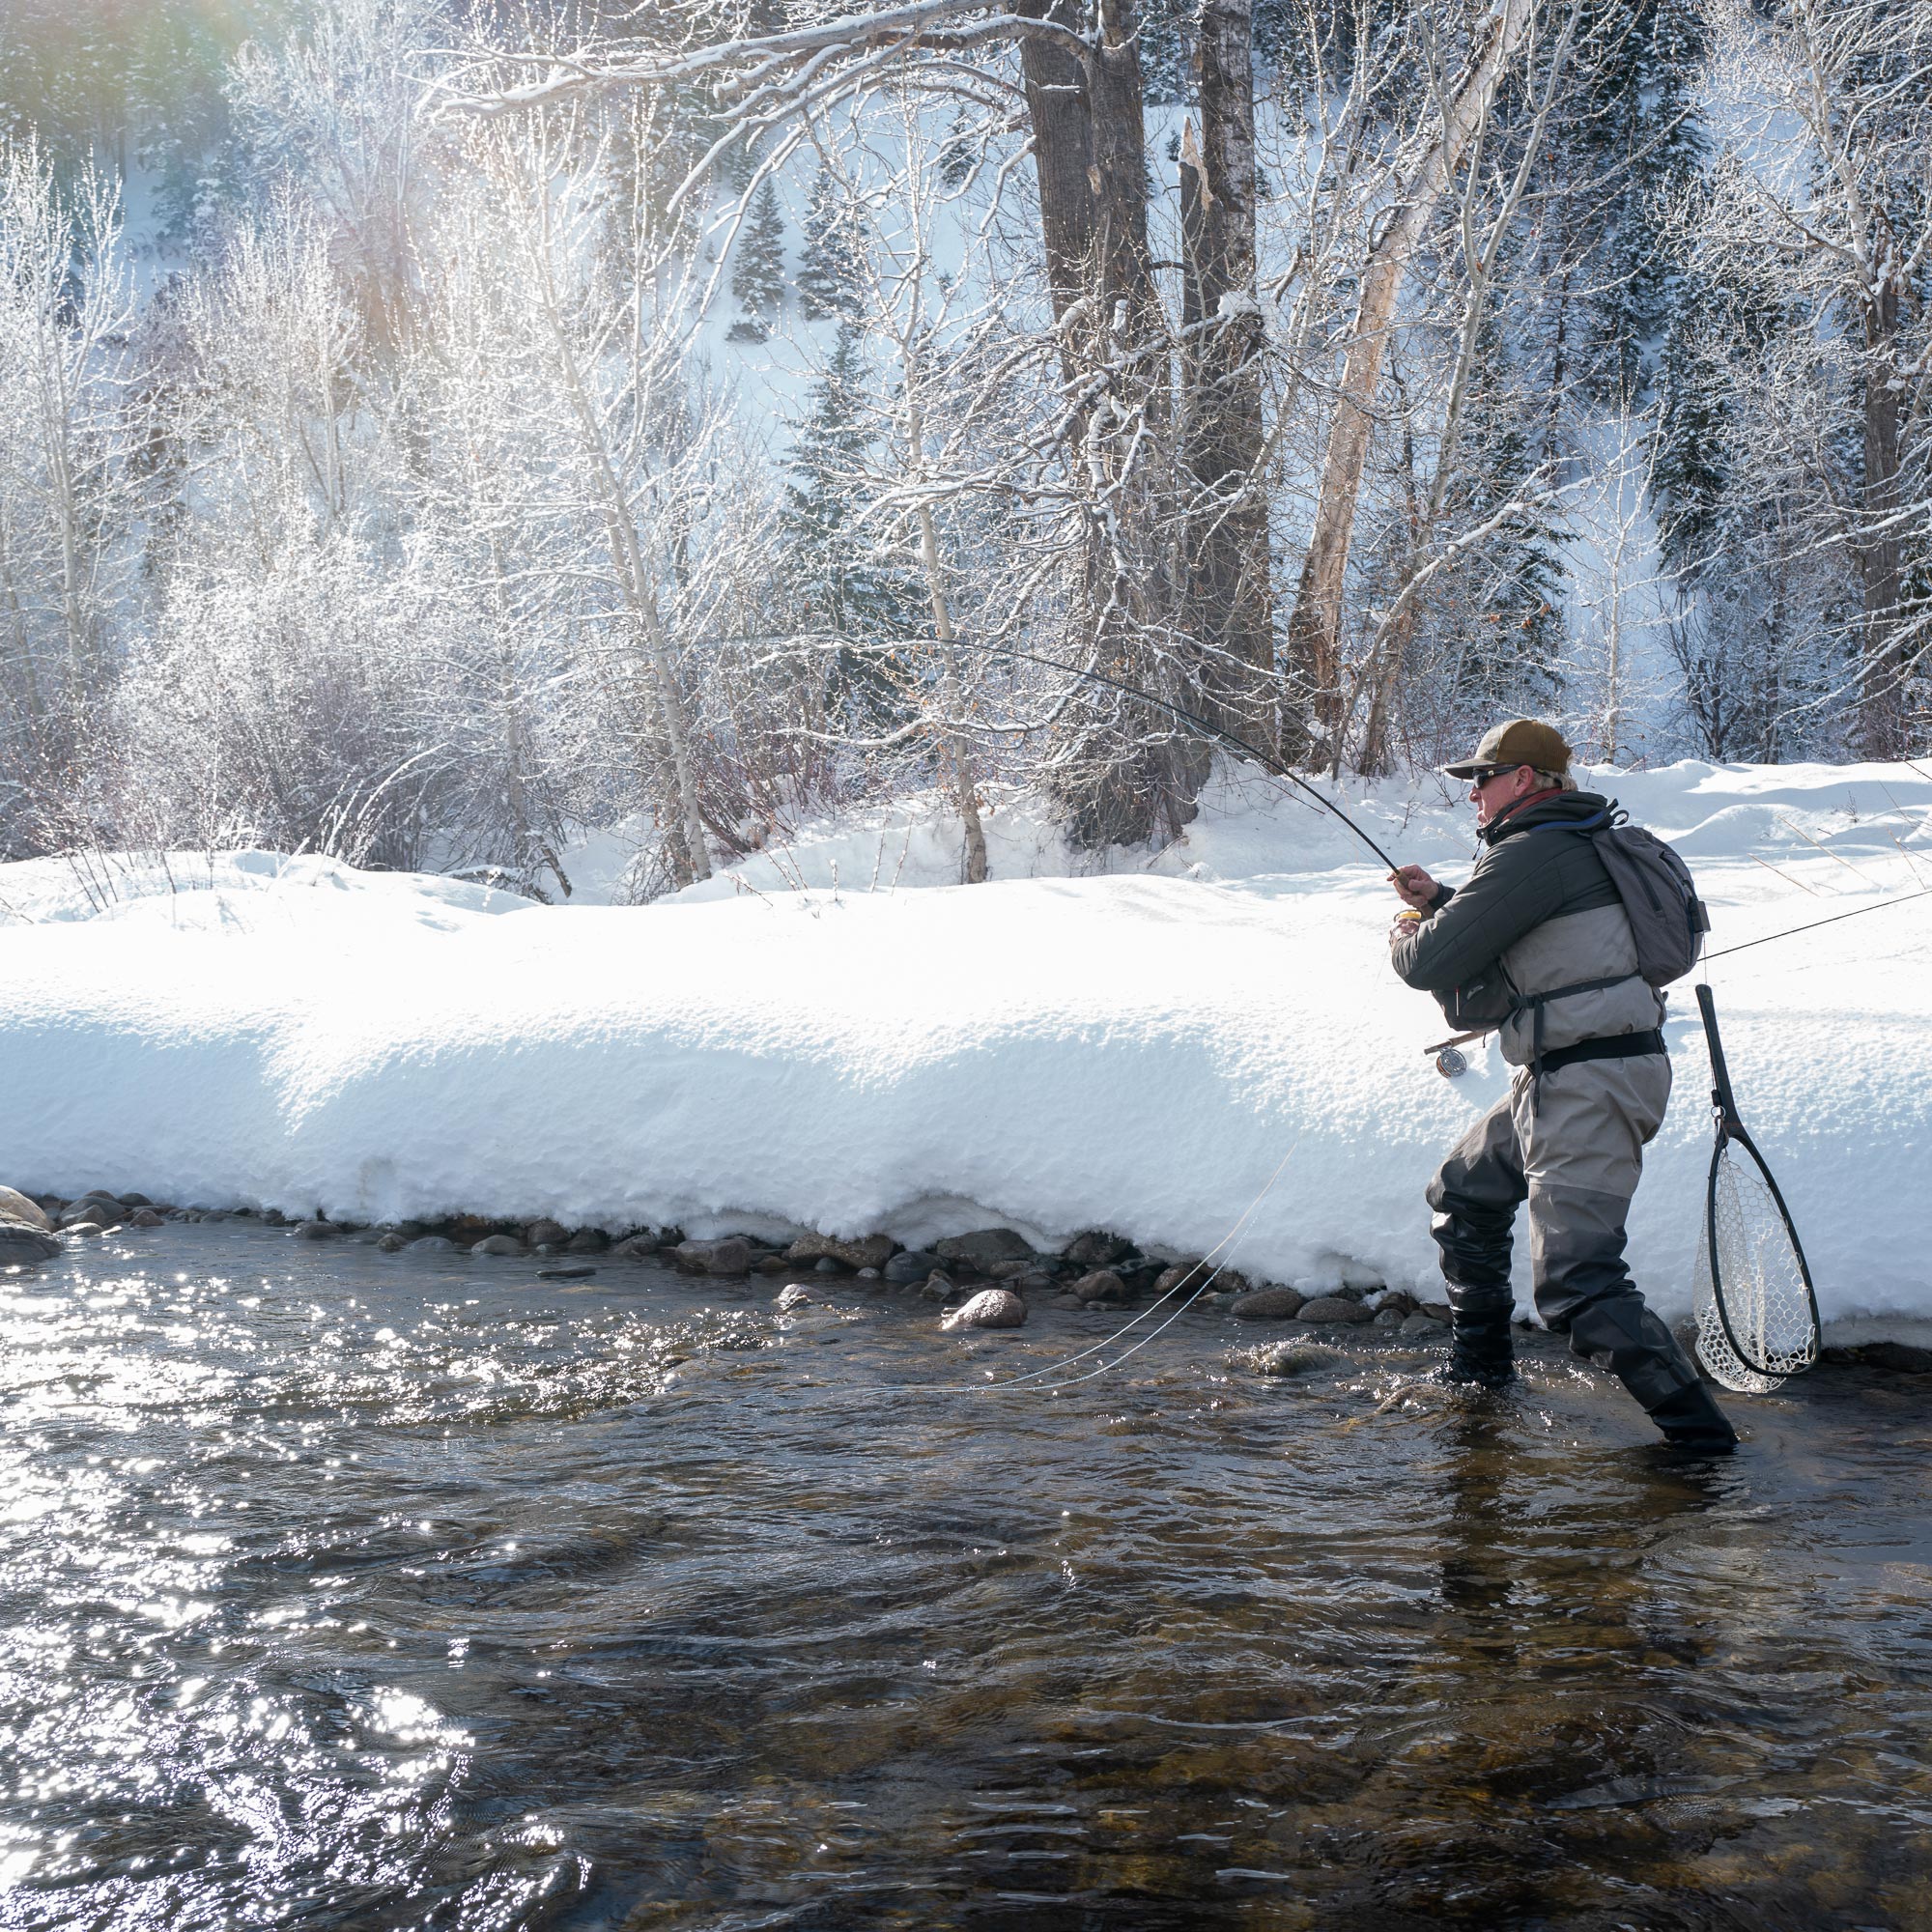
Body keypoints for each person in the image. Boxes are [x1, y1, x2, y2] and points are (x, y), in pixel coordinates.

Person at [1387, 719, 1736, 1452]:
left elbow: (1427, 964)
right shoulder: (1576, 839)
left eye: (1480, 780)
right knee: (1464, 1192)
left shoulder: (1533, 849)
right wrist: (1446, 895)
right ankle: (1480, 1375)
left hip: (1588, 1085)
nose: (1473, 796)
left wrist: (1408, 928)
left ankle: (1707, 1449)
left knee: (1580, 1285)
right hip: (1570, 1076)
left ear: (1522, 779)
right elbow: (1541, 925)